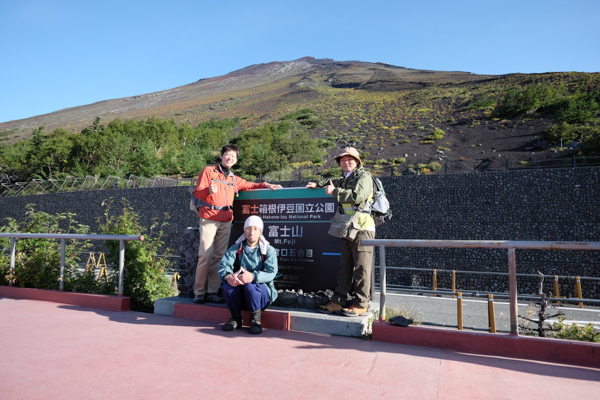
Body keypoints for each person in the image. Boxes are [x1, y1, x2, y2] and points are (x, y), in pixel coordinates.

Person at [192, 144, 281, 304]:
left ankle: (213, 291)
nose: (229, 158)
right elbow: (198, 192)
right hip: (209, 218)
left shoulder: (234, 179)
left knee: (219, 257)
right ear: (221, 156)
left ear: (236, 160)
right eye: (227, 155)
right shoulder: (209, 171)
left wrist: (266, 185)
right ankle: (199, 292)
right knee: (205, 256)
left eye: (233, 156)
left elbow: (249, 184)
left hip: (226, 220)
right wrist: (208, 191)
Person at [306, 147, 375, 317]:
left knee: (361, 268)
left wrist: (335, 192)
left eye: (350, 159)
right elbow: (334, 181)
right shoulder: (346, 178)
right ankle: (339, 301)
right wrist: (318, 184)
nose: (346, 163)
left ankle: (361, 304)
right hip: (348, 226)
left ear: (357, 161)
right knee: (345, 267)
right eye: (342, 160)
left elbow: (358, 196)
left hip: (363, 228)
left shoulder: (364, 177)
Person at [218, 215, 278, 334]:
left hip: (261, 294)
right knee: (227, 287)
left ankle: (256, 319)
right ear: (244, 230)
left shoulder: (268, 250)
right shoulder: (236, 248)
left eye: (255, 228)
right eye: (248, 228)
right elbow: (224, 265)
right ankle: (236, 318)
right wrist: (229, 277)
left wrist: (253, 277)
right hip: (241, 293)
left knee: (250, 286)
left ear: (260, 231)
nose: (252, 232)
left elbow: (271, 272)